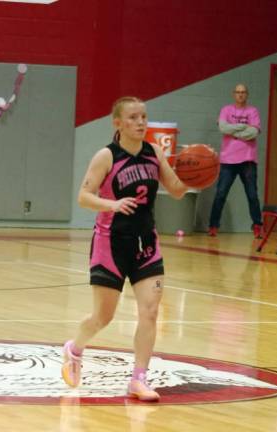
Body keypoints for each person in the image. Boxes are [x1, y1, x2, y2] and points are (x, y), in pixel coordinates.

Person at [61, 96, 201, 402]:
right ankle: (74, 349)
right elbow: (84, 196)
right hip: (110, 242)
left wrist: (196, 175)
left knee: (150, 311)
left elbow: (177, 191)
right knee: (103, 317)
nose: (141, 123)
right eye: (134, 118)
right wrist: (112, 203)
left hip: (146, 243)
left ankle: (138, 378)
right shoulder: (106, 156)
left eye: (143, 117)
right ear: (118, 124)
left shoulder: (154, 154)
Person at [208, 83, 263, 238]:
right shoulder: (226, 110)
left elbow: (253, 132)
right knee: (220, 194)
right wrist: (242, 128)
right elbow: (223, 129)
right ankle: (213, 226)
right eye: (238, 92)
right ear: (234, 94)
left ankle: (258, 225)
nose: (240, 95)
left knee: (252, 195)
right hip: (228, 160)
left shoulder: (253, 111)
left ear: (247, 95)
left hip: (248, 160)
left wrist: (233, 130)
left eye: (243, 92)